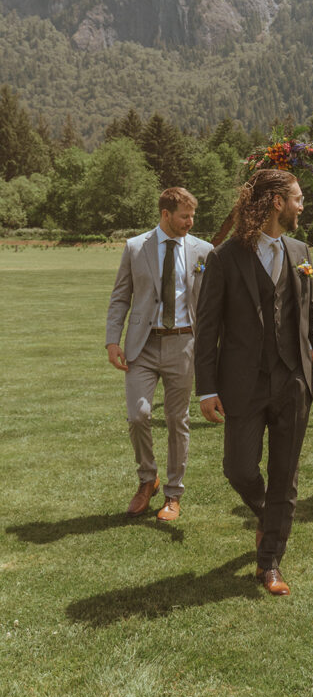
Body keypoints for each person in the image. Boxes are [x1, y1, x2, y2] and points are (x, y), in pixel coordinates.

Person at [195, 169, 313, 596]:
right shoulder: (225, 256)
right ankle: (268, 516)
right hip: (242, 383)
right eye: (296, 198)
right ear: (277, 201)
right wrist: (206, 387)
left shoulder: (300, 251)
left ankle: (270, 561)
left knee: (285, 474)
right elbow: (207, 329)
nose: (301, 205)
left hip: (294, 381)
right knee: (238, 468)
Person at [106, 187, 213, 521]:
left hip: (184, 345)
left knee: (176, 419)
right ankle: (147, 479)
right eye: (184, 216)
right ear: (166, 215)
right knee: (138, 415)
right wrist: (113, 340)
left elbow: (211, 303)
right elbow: (121, 295)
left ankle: (173, 494)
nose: (190, 222)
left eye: (192, 216)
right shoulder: (136, 247)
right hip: (143, 344)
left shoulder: (204, 251)